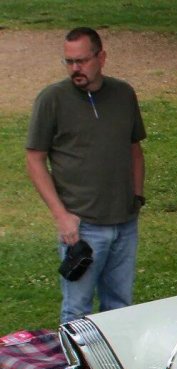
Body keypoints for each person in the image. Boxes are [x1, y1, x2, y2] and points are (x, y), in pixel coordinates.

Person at [26, 27, 146, 324]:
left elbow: (134, 149)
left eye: (82, 61)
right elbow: (35, 159)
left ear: (101, 57)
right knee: (77, 312)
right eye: (69, 62)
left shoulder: (123, 93)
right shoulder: (52, 99)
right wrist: (61, 216)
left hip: (125, 222)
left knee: (120, 308)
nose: (75, 69)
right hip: (82, 227)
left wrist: (137, 197)